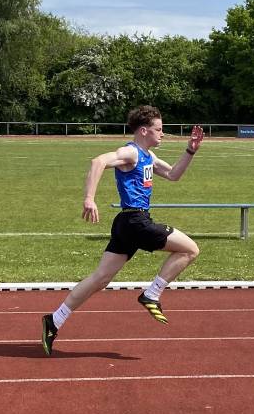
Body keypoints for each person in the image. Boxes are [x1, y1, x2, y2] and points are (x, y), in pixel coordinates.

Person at [41, 105, 204, 356]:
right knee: (190, 249)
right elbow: (98, 161)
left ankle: (54, 320)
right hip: (136, 221)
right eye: (159, 130)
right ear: (143, 130)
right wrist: (89, 198)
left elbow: (173, 175)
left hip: (127, 223)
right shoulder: (131, 152)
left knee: (100, 279)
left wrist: (191, 151)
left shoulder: (148, 157)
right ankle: (152, 294)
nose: (163, 134)